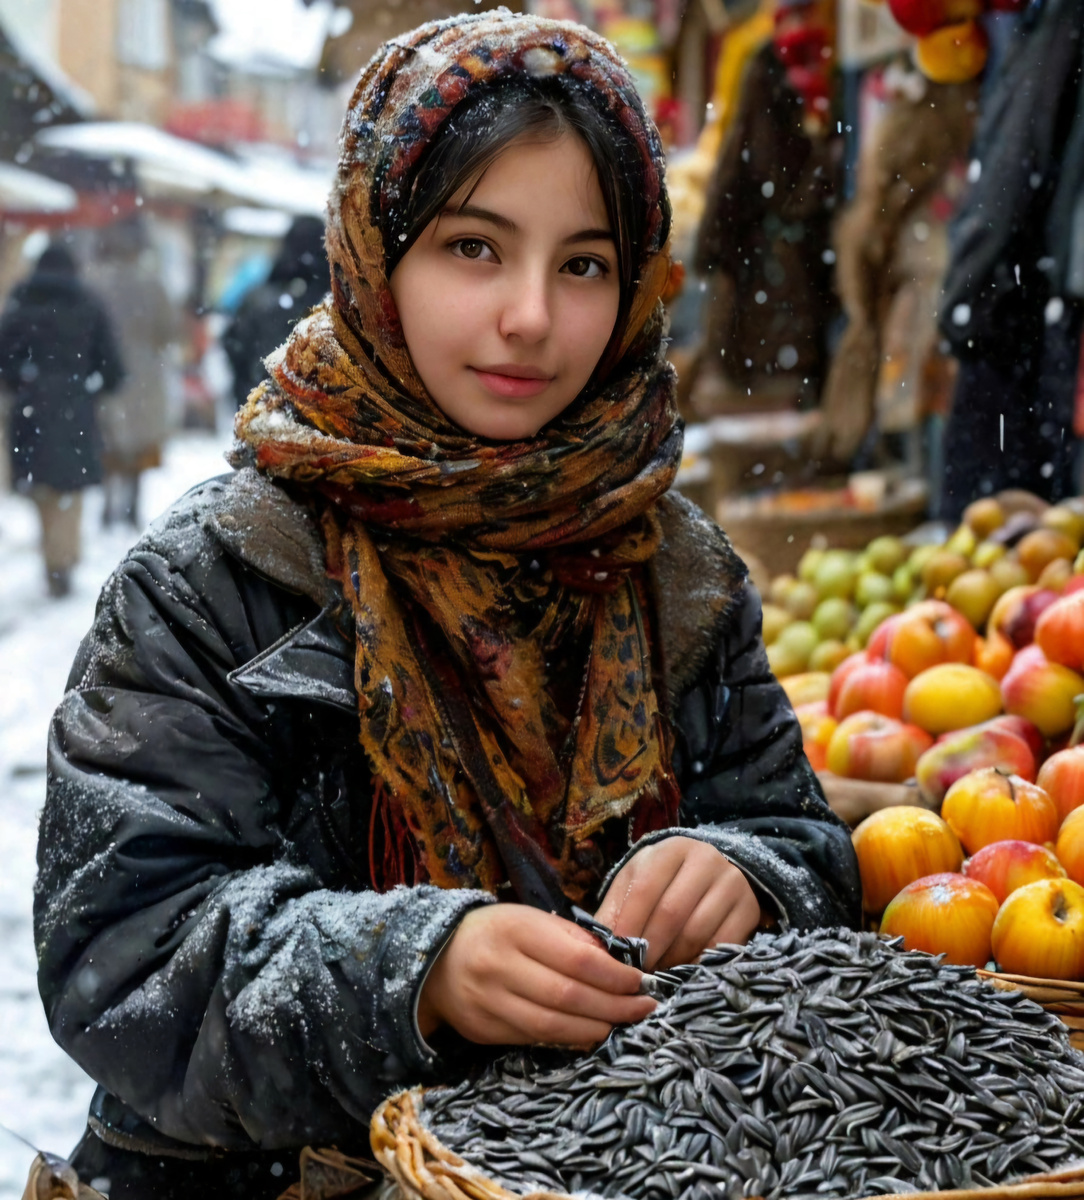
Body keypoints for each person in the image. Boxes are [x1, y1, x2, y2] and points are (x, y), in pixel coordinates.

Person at [35, 13, 861, 1199]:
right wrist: (413, 972)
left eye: (583, 264)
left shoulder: (673, 570)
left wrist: (744, 872)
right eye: (475, 248)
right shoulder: (220, 580)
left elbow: (801, 843)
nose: (531, 316)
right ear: (376, 251)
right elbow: (121, 961)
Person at [0, 241, 124, 597]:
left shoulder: (21, 303)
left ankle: (54, 557)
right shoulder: (88, 304)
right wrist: (93, 385)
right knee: (68, 488)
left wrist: (23, 380)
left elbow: (3, 358)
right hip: (75, 409)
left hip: (31, 407)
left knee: (40, 486)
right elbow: (112, 365)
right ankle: (63, 557)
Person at [86, 216, 180, 529]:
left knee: (110, 436)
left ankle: (108, 504)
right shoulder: (151, 283)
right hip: (144, 371)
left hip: (104, 369)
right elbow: (169, 330)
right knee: (140, 440)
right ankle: (133, 505)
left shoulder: (94, 280)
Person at [222, 215, 330, 409]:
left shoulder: (258, 298)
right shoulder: (332, 306)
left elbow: (233, 346)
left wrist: (248, 395)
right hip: (320, 425)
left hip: (261, 416)